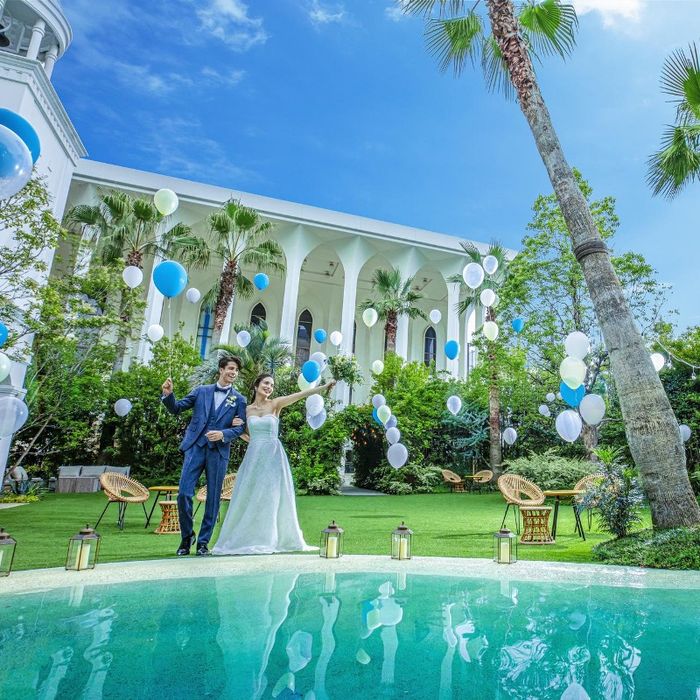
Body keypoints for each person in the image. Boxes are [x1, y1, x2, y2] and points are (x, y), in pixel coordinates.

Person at [212, 373, 335, 555]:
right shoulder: (246, 410)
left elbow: (300, 395)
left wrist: (323, 388)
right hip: (254, 456)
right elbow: (239, 431)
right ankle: (247, 537)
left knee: (272, 495)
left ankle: (270, 538)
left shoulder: (275, 404)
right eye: (266, 383)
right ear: (256, 386)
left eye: (271, 385)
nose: (269, 387)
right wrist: (251, 439)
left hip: (273, 456)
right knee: (250, 495)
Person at [161, 356, 247, 556]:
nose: (233, 373)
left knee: (213, 498)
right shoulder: (201, 391)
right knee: (184, 493)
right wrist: (168, 395)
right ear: (221, 369)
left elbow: (241, 427)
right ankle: (186, 538)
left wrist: (223, 434)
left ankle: (203, 543)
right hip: (195, 447)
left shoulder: (239, 399)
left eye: (236, 370)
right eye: (231, 368)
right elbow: (177, 408)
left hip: (218, 452)